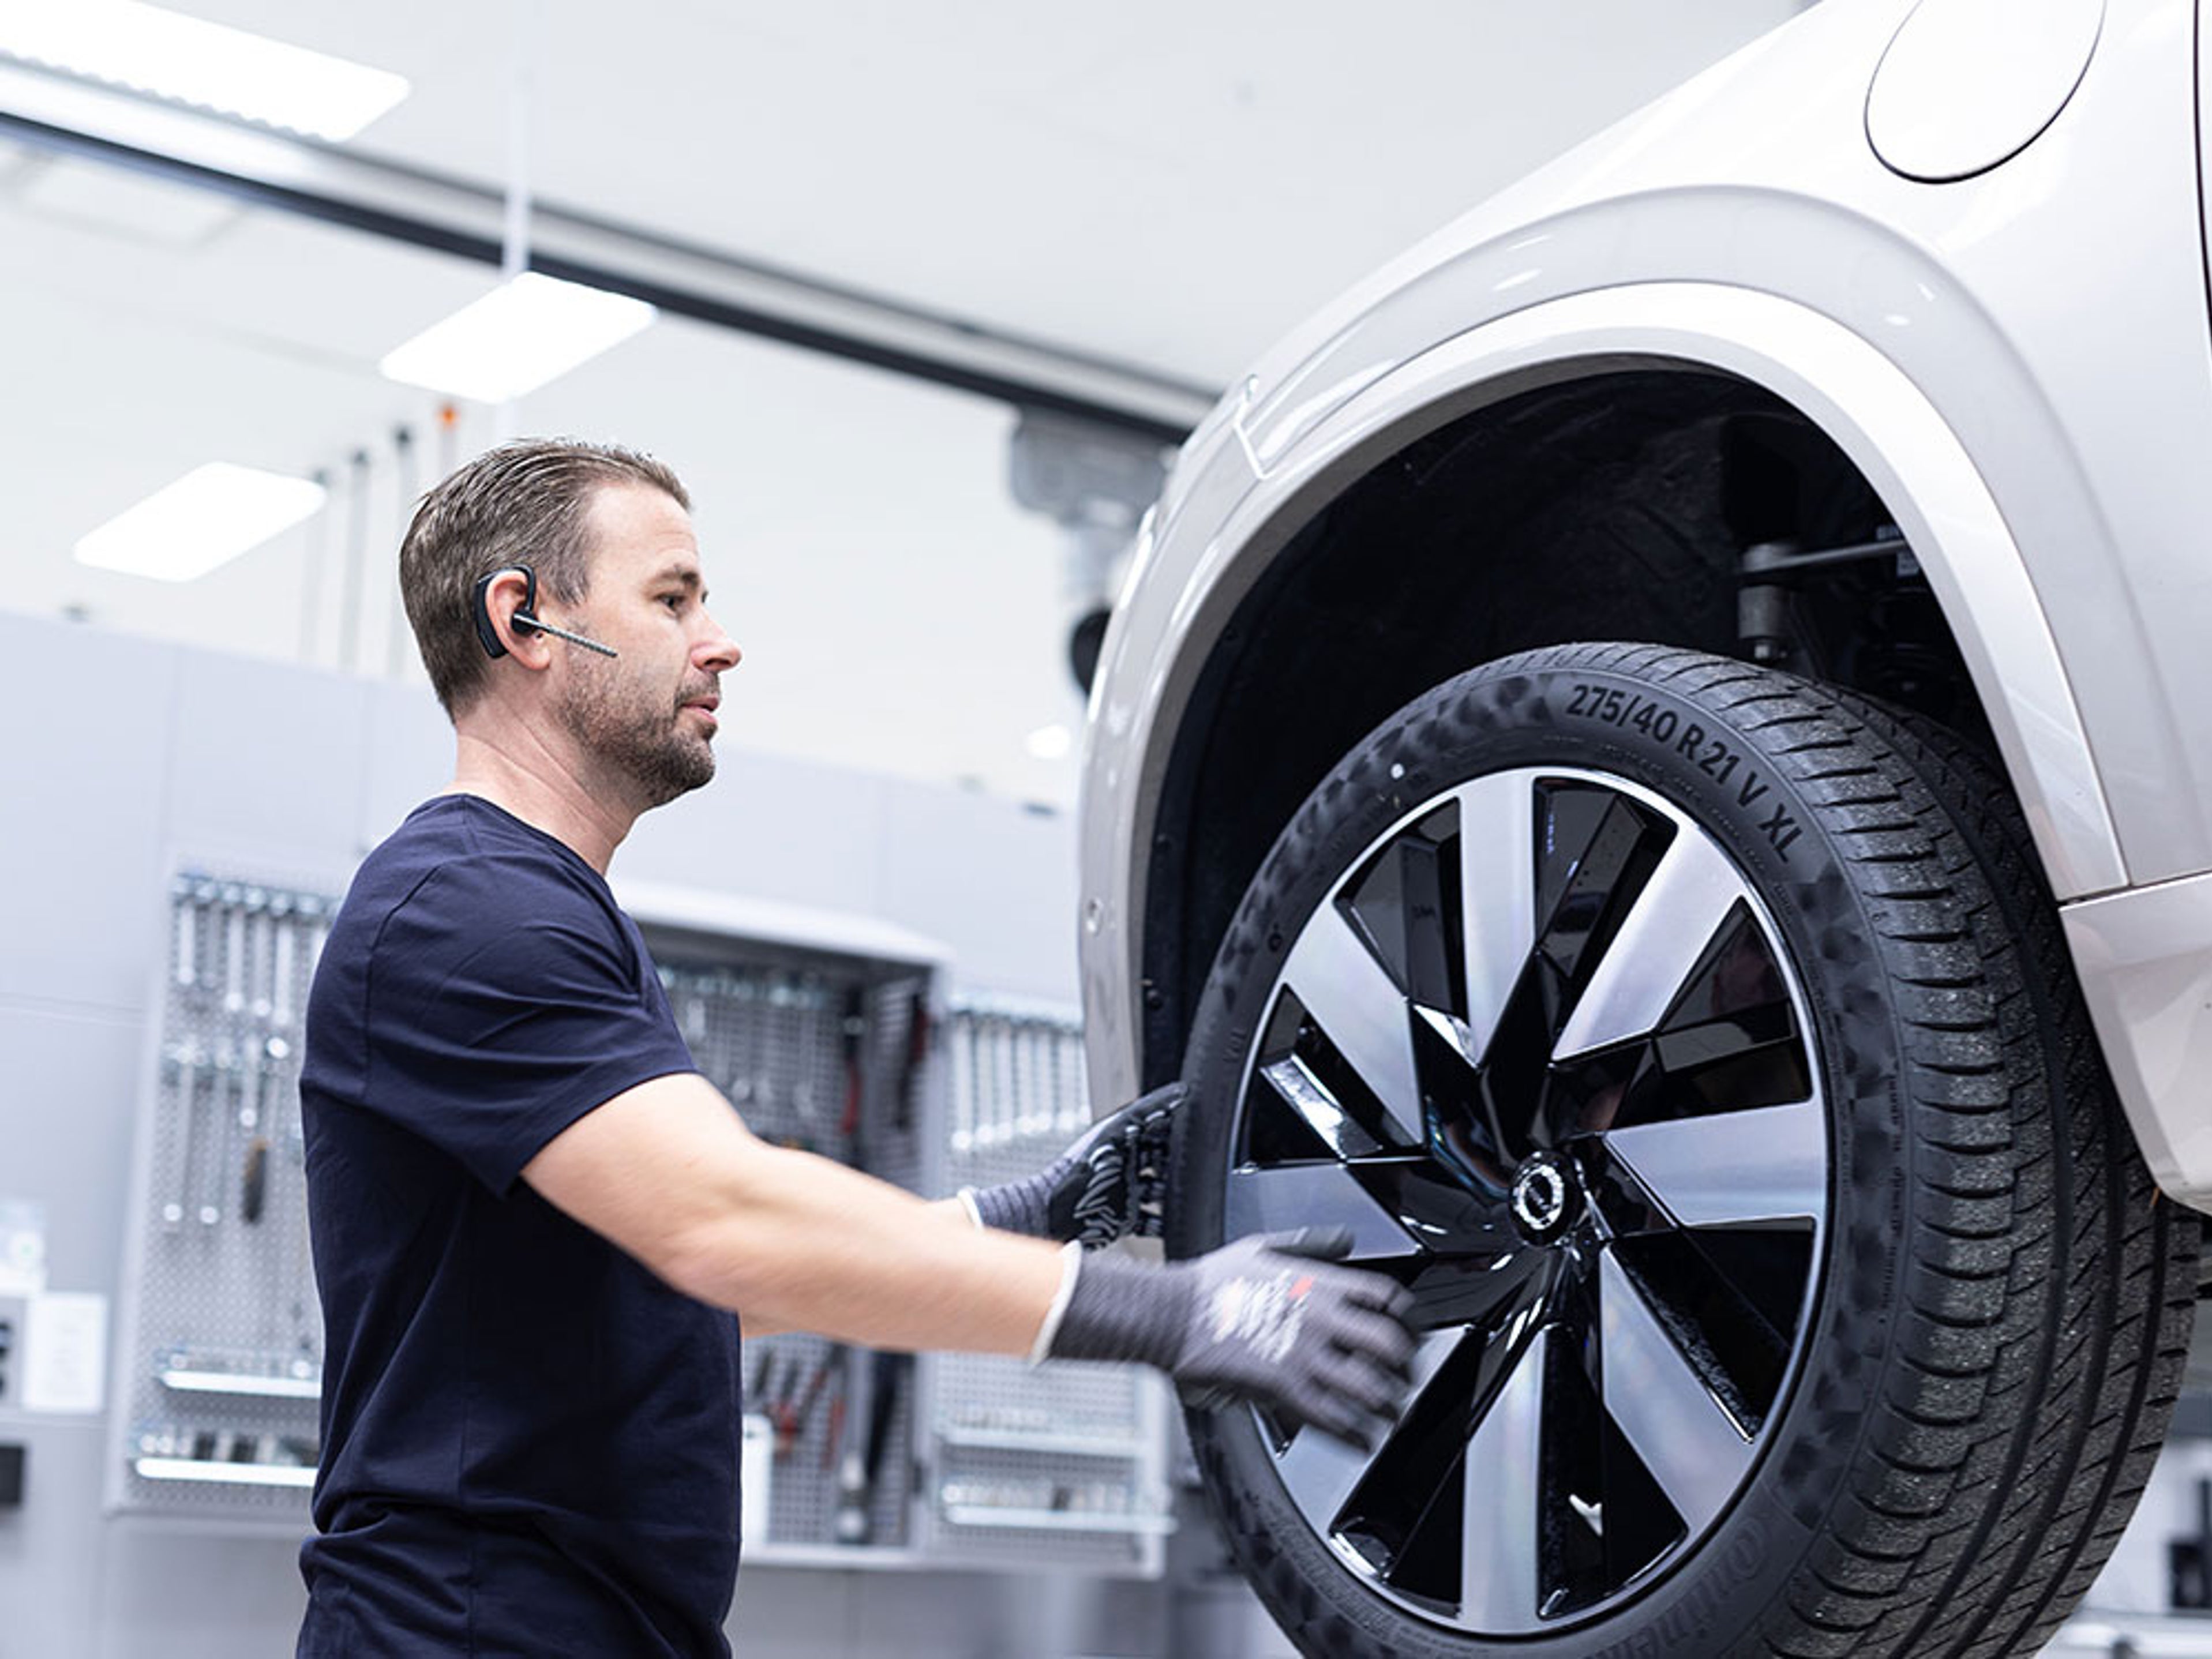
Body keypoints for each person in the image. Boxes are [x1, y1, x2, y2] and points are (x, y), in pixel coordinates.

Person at [293, 438, 1417, 1658]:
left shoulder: (538, 911)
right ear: (522, 617)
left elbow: (664, 1301)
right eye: (671, 598)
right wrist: (1168, 1313)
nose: (719, 641)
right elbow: (726, 1228)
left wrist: (1015, 1217)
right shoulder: (466, 909)